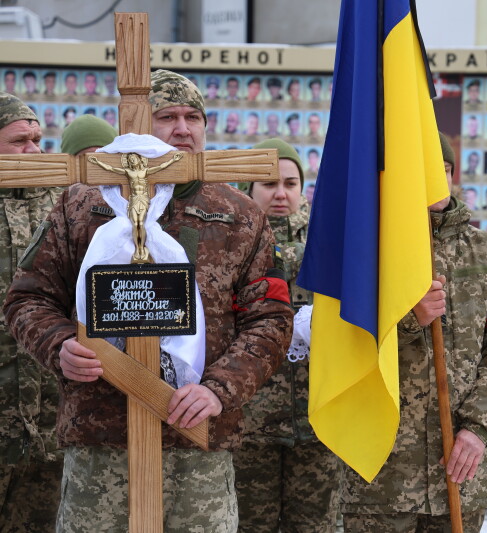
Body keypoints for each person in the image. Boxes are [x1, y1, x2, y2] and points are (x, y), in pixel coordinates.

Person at [2, 70, 294, 532]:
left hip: (196, 439)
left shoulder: (240, 214)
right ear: (137, 127)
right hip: (102, 437)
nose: (183, 129)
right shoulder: (81, 205)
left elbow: (271, 319)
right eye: (167, 117)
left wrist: (218, 390)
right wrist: (59, 346)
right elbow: (28, 297)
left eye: (193, 117)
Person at [341, 133, 487, 533]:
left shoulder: (486, 251)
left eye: (443, 170)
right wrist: (409, 320)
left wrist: (479, 427)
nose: (437, 181)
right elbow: (341, 342)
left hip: (460, 468)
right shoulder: (365, 249)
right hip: (383, 476)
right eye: (424, 171)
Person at [236, 138, 342, 532]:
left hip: (319, 422)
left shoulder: (329, 237)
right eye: (269, 184)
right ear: (249, 189)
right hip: (251, 425)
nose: (281, 194)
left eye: (290, 183)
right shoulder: (231, 239)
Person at [0, 92, 64, 532]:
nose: (34, 151)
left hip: (48, 408)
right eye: (19, 142)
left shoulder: (60, 201)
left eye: (38, 140)